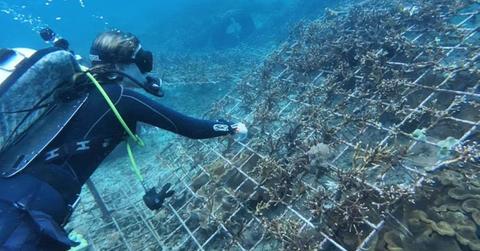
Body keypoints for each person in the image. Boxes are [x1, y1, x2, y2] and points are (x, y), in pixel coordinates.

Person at [0, 30, 247, 250]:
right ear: (120, 65)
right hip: (25, 214)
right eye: (142, 61)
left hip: (18, 199)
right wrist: (234, 126)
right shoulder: (119, 97)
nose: (145, 69)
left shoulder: (81, 90)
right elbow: (191, 128)